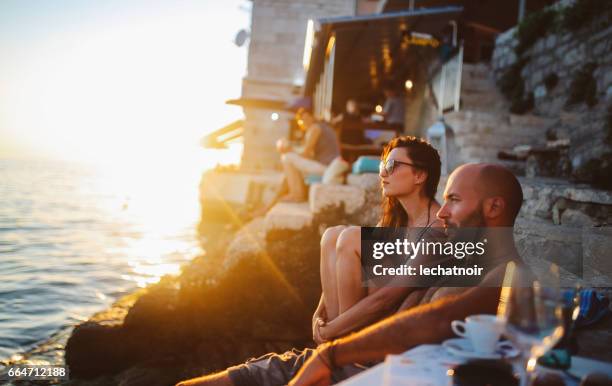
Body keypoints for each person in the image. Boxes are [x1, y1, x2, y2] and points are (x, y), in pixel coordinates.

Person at [175, 163, 525, 386]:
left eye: (455, 200)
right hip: (341, 361)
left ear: (494, 207)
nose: (443, 211)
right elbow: (386, 287)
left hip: (356, 372)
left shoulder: (510, 278)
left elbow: (434, 320)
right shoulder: (457, 252)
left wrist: (332, 350)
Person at [312, 136, 442, 345]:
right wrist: (319, 314)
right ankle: (334, 343)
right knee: (332, 235)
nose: (382, 173)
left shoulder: (435, 230)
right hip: (356, 317)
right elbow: (338, 262)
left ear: (419, 175)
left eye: (392, 166)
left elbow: (385, 300)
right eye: (384, 165)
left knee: (352, 237)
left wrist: (329, 330)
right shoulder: (398, 218)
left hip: (387, 323)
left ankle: (342, 343)